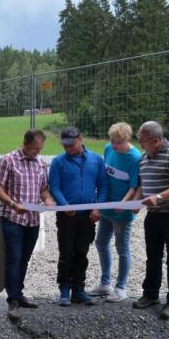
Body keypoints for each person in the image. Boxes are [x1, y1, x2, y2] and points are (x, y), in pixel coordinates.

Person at [0, 129, 56, 322]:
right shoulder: (8, 160)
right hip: (13, 218)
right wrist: (12, 204)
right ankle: (12, 300)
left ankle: (18, 294)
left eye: (40, 149)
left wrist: (47, 200)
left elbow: (43, 189)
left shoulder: (40, 163)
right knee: (14, 258)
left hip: (33, 220)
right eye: (35, 148)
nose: (37, 152)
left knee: (24, 259)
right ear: (25, 143)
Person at [132, 121, 169, 319]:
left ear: (156, 140)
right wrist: (136, 204)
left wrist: (160, 197)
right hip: (153, 215)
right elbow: (142, 184)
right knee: (153, 256)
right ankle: (150, 294)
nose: (140, 145)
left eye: (143, 141)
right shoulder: (144, 157)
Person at [48, 127, 108, 306]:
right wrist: (64, 205)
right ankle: (64, 289)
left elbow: (103, 186)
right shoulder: (58, 162)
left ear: (80, 139)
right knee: (66, 252)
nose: (68, 149)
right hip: (66, 216)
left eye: (71, 145)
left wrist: (98, 208)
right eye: (65, 146)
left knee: (82, 253)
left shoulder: (96, 160)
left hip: (88, 216)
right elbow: (54, 186)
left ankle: (79, 289)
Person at [89, 122, 142, 303]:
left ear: (126, 139)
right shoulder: (108, 149)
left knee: (122, 248)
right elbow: (105, 175)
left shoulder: (135, 158)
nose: (113, 145)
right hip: (106, 208)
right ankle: (105, 283)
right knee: (101, 243)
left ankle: (121, 287)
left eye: (117, 142)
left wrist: (124, 203)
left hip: (122, 212)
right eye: (111, 141)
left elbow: (134, 186)